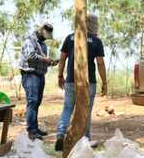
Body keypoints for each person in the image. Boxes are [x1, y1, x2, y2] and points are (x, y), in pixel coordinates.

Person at [55, 14, 107, 151]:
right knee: (87, 112)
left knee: (67, 108)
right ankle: (85, 140)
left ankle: (61, 134)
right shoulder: (96, 41)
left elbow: (62, 59)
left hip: (71, 80)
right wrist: (105, 82)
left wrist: (60, 76)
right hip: (89, 83)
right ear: (94, 25)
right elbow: (100, 63)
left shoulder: (70, 37)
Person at [19, 23, 58, 140]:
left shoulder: (43, 45)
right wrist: (46, 59)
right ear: (41, 32)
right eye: (46, 35)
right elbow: (30, 56)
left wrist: (51, 62)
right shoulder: (30, 40)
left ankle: (35, 129)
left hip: (40, 75)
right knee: (32, 101)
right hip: (30, 74)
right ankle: (31, 131)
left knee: (37, 103)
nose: (46, 38)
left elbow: (40, 61)